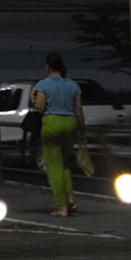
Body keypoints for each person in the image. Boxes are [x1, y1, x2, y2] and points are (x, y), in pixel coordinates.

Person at [31, 52, 85, 216]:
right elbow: (79, 110)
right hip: (70, 125)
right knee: (65, 164)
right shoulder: (73, 85)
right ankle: (70, 198)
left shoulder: (43, 84)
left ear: (48, 66)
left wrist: (32, 97)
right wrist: (82, 132)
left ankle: (62, 206)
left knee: (54, 167)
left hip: (52, 125)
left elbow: (40, 108)